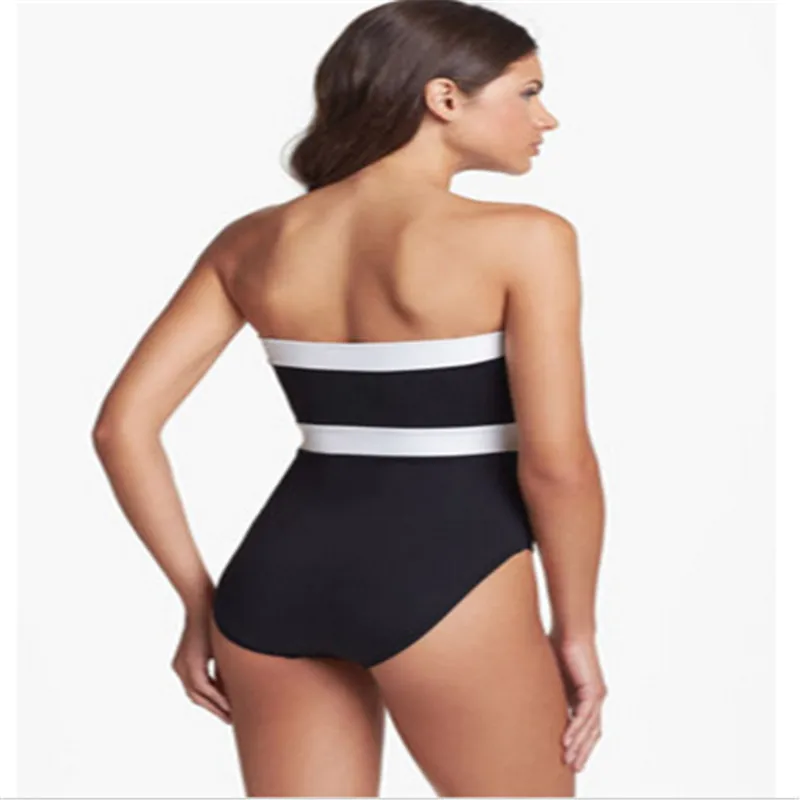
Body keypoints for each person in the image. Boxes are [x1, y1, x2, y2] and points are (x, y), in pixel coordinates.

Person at [91, 0, 607, 796]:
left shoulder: (253, 240)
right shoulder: (527, 237)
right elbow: (557, 466)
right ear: (444, 99)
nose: (548, 118)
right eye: (528, 92)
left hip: (273, 584)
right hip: (451, 573)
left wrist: (199, 604)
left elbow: (121, 428)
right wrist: (575, 631)